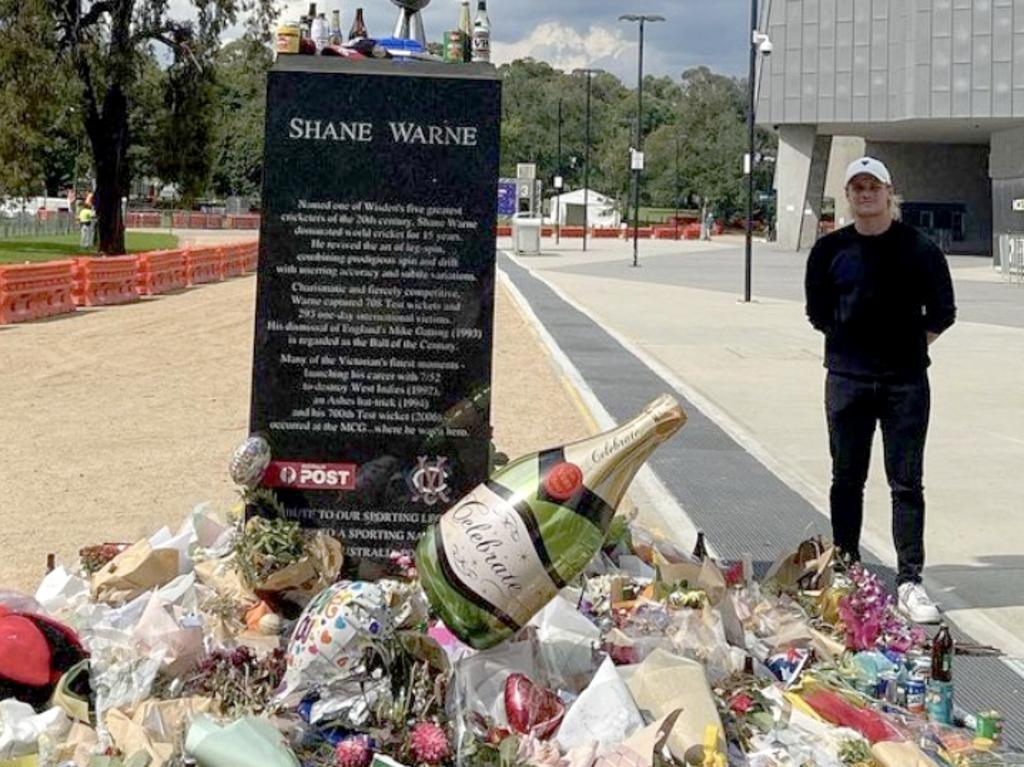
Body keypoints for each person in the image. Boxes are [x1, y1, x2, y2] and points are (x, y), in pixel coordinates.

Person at [804, 156, 956, 624]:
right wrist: (853, 344)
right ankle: (848, 569)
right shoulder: (830, 251)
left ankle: (909, 580)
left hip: (905, 383)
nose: (865, 194)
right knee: (846, 479)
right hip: (847, 380)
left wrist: (905, 346)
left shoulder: (920, 249)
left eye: (874, 186)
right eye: (857, 187)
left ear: (890, 192)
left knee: (906, 483)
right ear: (848, 196)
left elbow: (943, 312)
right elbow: (817, 311)